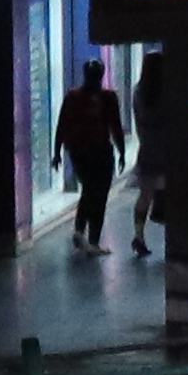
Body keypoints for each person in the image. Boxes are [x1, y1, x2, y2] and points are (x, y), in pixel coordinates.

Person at [54, 62, 125, 252]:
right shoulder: (108, 97)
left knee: (88, 190)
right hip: (101, 151)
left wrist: (57, 152)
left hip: (78, 151)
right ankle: (93, 241)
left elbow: (62, 124)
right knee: (100, 195)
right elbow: (115, 127)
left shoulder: (72, 96)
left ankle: (79, 230)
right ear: (102, 75)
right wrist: (122, 152)